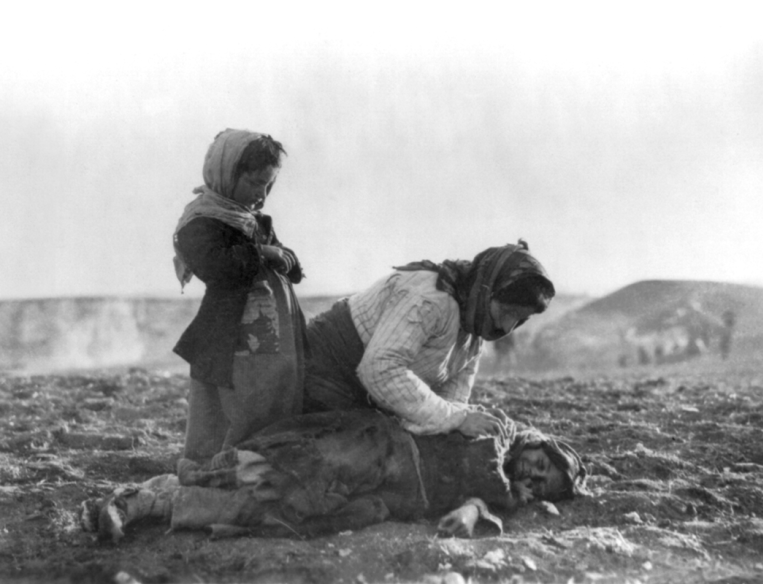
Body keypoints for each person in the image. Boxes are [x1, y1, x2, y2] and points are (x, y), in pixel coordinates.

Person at [80, 409, 587, 542]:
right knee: (283, 471)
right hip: (379, 450)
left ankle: (151, 505)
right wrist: (505, 494)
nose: (533, 475)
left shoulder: (504, 493)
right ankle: (140, 496)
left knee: (287, 512)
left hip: (390, 496)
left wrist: (482, 508)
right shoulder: (499, 432)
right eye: (540, 464)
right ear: (535, 443)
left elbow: (479, 504)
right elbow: (483, 463)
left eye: (544, 483)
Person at [303, 240, 555, 437]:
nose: (506, 326)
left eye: (521, 319)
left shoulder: (473, 332)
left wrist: (464, 422)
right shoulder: (431, 298)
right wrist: (457, 420)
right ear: (487, 289)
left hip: (367, 392)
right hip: (325, 369)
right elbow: (380, 369)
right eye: (508, 311)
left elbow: (451, 400)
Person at [172, 129, 307, 463]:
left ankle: (257, 469)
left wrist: (285, 259)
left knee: (271, 405)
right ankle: (210, 479)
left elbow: (290, 267)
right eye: (254, 183)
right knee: (223, 416)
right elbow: (218, 268)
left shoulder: (255, 221)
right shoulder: (200, 223)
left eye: (268, 185)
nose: (262, 195)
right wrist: (264, 253)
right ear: (226, 174)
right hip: (228, 339)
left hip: (272, 339)